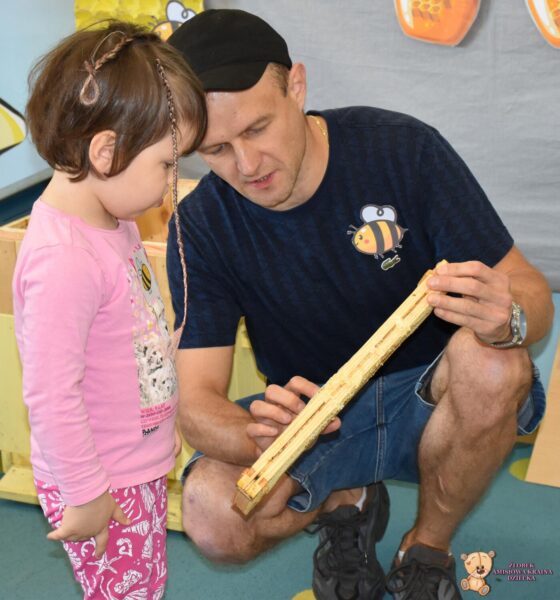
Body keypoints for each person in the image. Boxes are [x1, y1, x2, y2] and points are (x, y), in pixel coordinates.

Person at [166, 9, 554, 600]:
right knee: (213, 515)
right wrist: (255, 435)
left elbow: (528, 293)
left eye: (257, 129)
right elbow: (195, 402)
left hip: (431, 397)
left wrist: (511, 318)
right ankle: (346, 501)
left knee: (496, 363)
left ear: (297, 87)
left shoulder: (400, 150)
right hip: (315, 420)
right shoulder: (201, 224)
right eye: (215, 149)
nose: (246, 166)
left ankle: (426, 549)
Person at [13, 21, 206, 599]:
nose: (171, 185)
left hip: (128, 464)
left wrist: (157, 427)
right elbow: (52, 394)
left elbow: (128, 338)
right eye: (167, 165)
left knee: (143, 585)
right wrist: (86, 491)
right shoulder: (65, 260)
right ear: (105, 152)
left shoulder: (113, 221)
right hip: (100, 481)